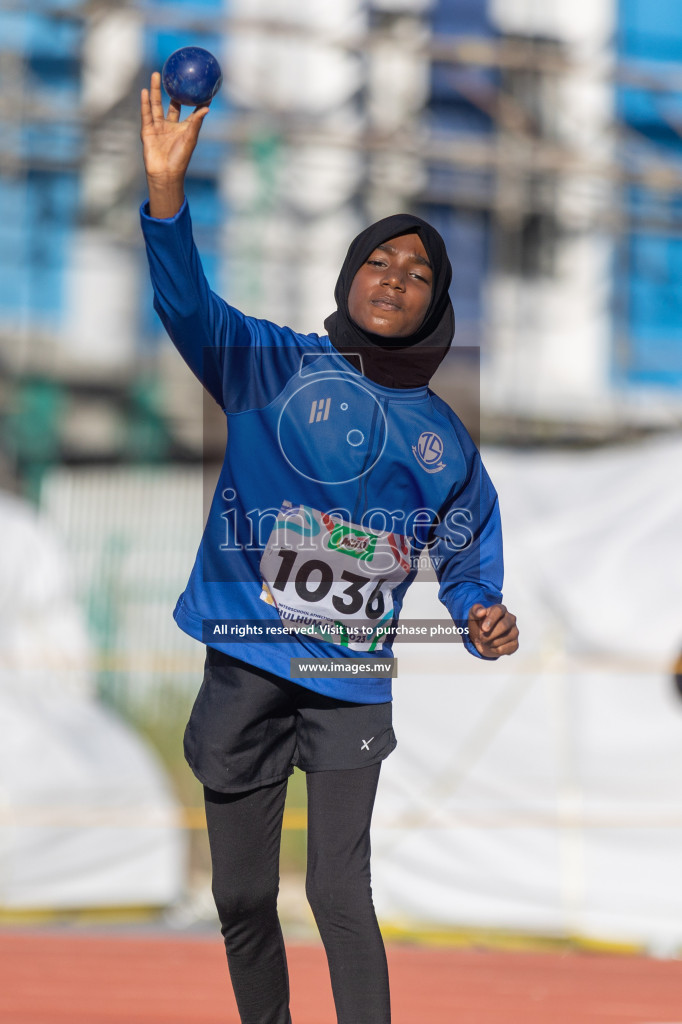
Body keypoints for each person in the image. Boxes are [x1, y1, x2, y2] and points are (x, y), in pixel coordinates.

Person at [140, 71, 519, 1024]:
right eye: (379, 264)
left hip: (350, 676)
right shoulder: (268, 365)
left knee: (340, 896)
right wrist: (167, 197)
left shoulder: (445, 438)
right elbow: (188, 306)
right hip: (246, 662)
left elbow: (467, 557)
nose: (396, 280)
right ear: (348, 278)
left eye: (419, 273)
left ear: (438, 305)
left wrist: (479, 612)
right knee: (239, 900)